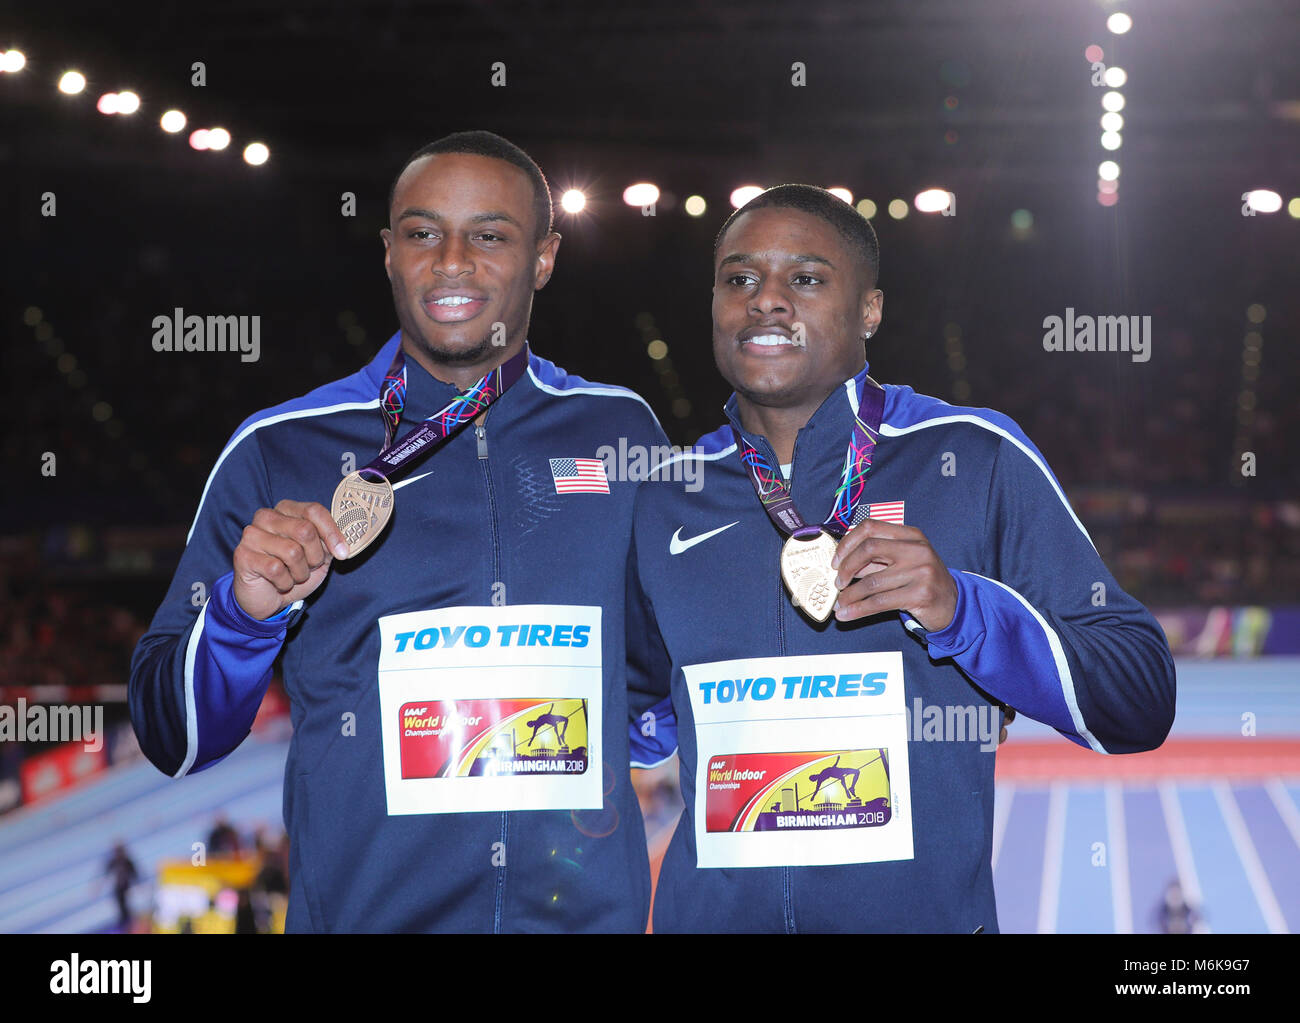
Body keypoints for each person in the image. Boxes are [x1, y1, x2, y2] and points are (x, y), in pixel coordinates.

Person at [130, 131, 668, 932]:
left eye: (489, 235)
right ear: (390, 252)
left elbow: (652, 701)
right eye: (422, 233)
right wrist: (245, 616)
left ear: (544, 257)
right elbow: (174, 735)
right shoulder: (281, 449)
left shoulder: (618, 429)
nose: (452, 260)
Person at [626, 184, 1176, 932]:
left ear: (870, 311)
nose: (766, 301)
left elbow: (1140, 695)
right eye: (740, 278)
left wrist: (963, 611)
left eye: (807, 278)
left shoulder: (973, 457)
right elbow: (623, 717)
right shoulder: (666, 496)